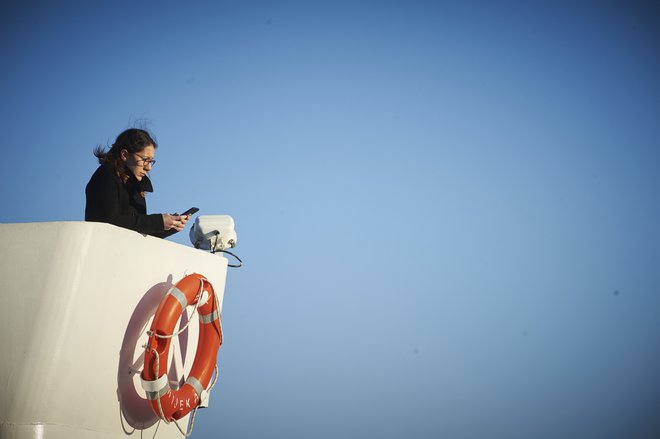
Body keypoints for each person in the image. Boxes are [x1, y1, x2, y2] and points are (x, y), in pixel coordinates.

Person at [85, 128, 189, 238]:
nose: (148, 168)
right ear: (125, 155)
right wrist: (158, 222)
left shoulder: (136, 186)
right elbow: (108, 222)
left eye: (150, 161)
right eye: (145, 159)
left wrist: (170, 225)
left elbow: (137, 230)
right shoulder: (106, 175)